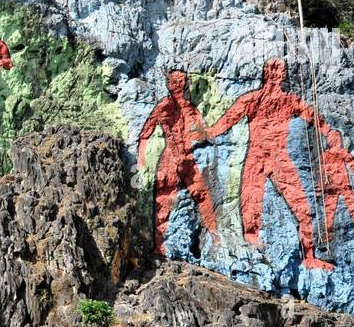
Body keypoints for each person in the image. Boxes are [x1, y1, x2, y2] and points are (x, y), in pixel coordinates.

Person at [207, 57, 335, 269]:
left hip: (279, 157)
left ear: (283, 75)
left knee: (302, 206)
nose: (276, 74)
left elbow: (313, 117)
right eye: (272, 70)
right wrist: (204, 133)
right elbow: (226, 121)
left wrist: (329, 133)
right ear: (266, 73)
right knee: (250, 199)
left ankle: (310, 256)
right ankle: (251, 240)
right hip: (256, 155)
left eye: (280, 71)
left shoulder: (289, 101)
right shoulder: (252, 99)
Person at [138, 70, 219, 257]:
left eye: (181, 81)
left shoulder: (191, 108)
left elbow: (203, 131)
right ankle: (159, 245)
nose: (178, 85)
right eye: (174, 81)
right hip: (170, 158)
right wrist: (141, 159)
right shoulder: (164, 106)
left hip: (188, 158)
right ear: (168, 84)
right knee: (164, 199)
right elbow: (145, 133)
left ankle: (215, 236)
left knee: (203, 196)